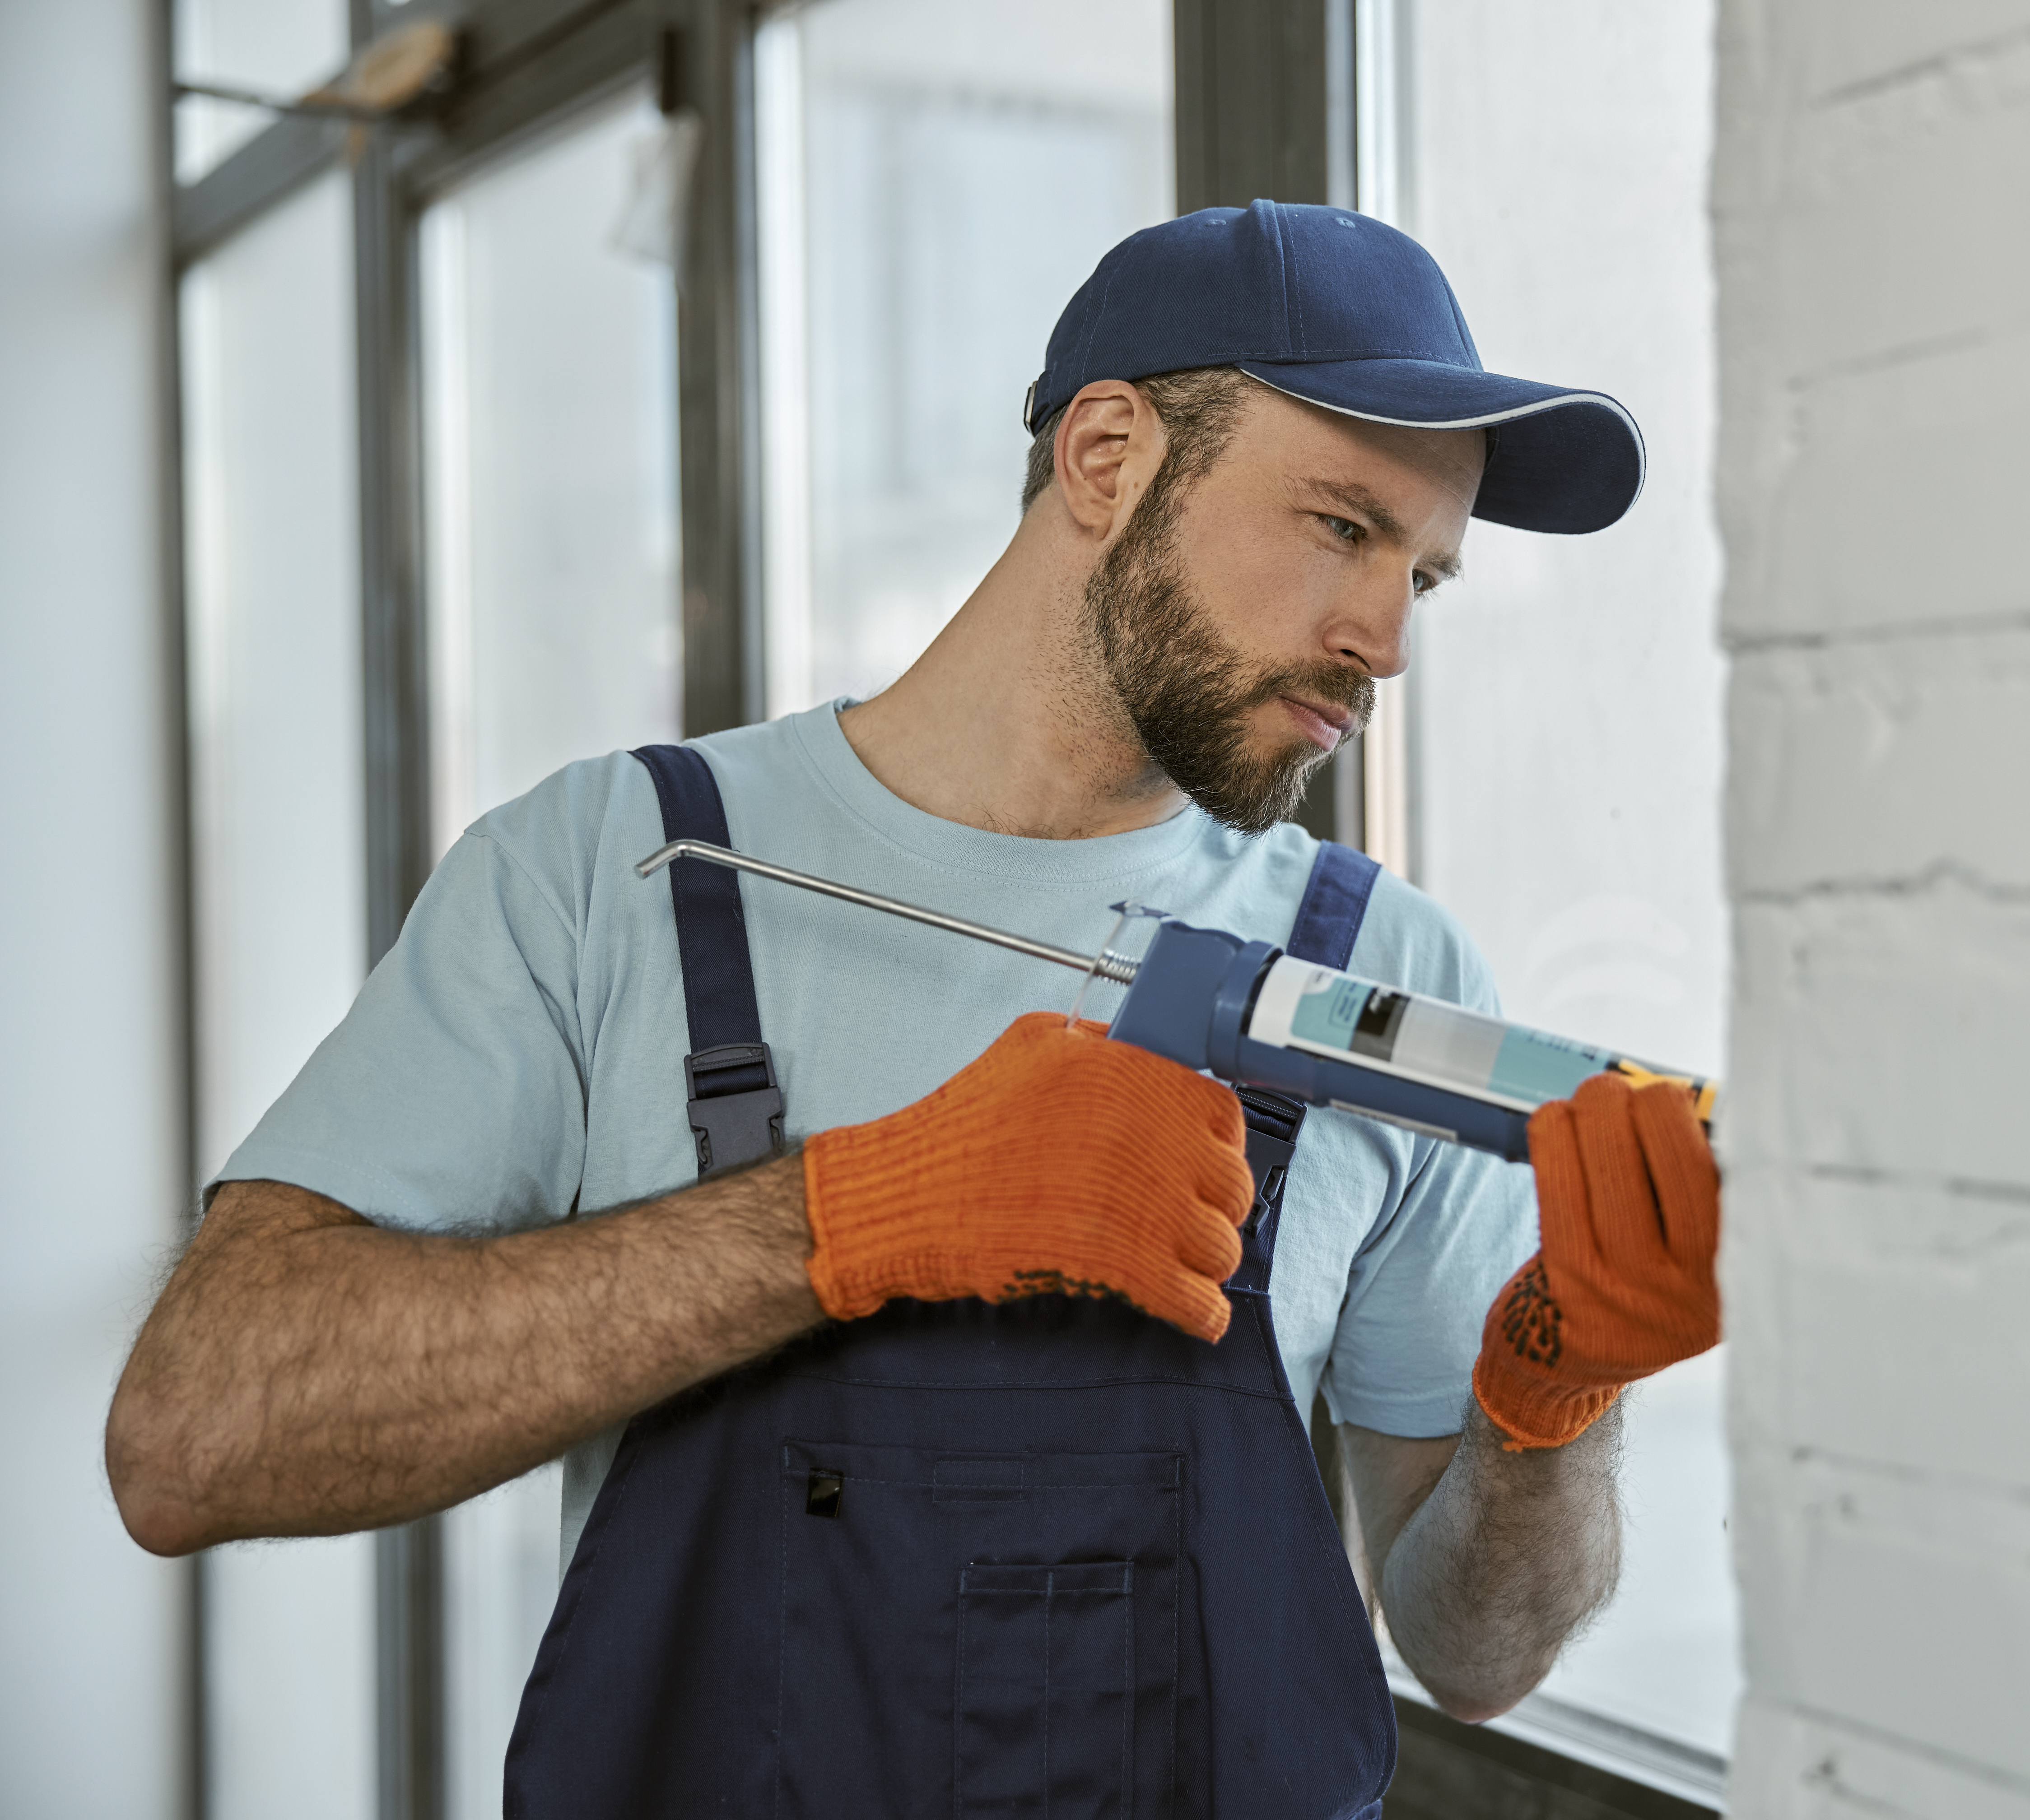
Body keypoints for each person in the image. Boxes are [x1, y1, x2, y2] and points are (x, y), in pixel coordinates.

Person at [107, 200, 1719, 1816]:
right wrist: (858, 1212)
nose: (1385, 640)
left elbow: (1475, 1651)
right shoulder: (616, 872)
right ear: (1107, 456)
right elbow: (196, 1437)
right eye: (1342, 527)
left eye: (1425, 578)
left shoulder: (1385, 976)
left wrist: (1551, 1396)